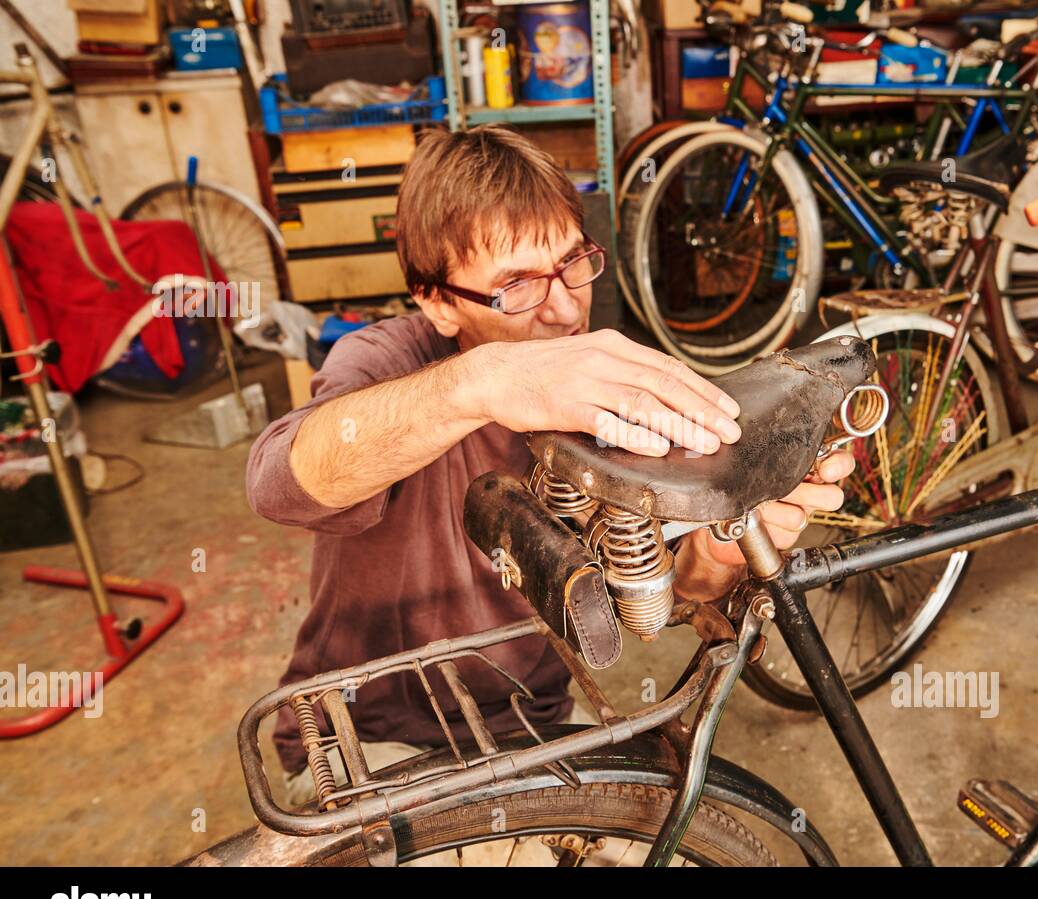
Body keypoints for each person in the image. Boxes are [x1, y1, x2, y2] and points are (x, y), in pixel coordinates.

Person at [245, 125, 852, 804]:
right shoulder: (380, 363)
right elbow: (279, 487)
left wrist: (723, 546)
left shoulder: (595, 390)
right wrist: (482, 383)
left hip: (536, 723)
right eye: (516, 288)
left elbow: (666, 591)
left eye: (573, 264)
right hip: (366, 741)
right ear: (438, 301)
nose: (566, 309)